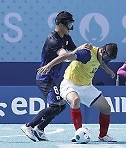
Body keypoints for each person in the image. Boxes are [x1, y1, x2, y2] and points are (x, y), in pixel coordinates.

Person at [21, 11, 90, 142]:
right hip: (44, 77)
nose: (70, 27)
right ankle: (28, 126)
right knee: (55, 105)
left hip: (53, 77)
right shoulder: (53, 39)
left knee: (62, 105)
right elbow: (64, 55)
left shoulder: (67, 38)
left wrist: (84, 48)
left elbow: (74, 51)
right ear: (60, 24)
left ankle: (40, 129)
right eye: (68, 24)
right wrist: (48, 66)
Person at [37, 43, 118, 142]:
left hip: (87, 87)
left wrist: (108, 70)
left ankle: (103, 135)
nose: (106, 60)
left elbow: (101, 62)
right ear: (101, 50)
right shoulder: (86, 53)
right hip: (69, 84)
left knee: (106, 108)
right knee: (75, 100)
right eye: (106, 57)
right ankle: (78, 133)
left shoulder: (101, 56)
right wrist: (49, 65)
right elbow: (66, 56)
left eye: (109, 59)